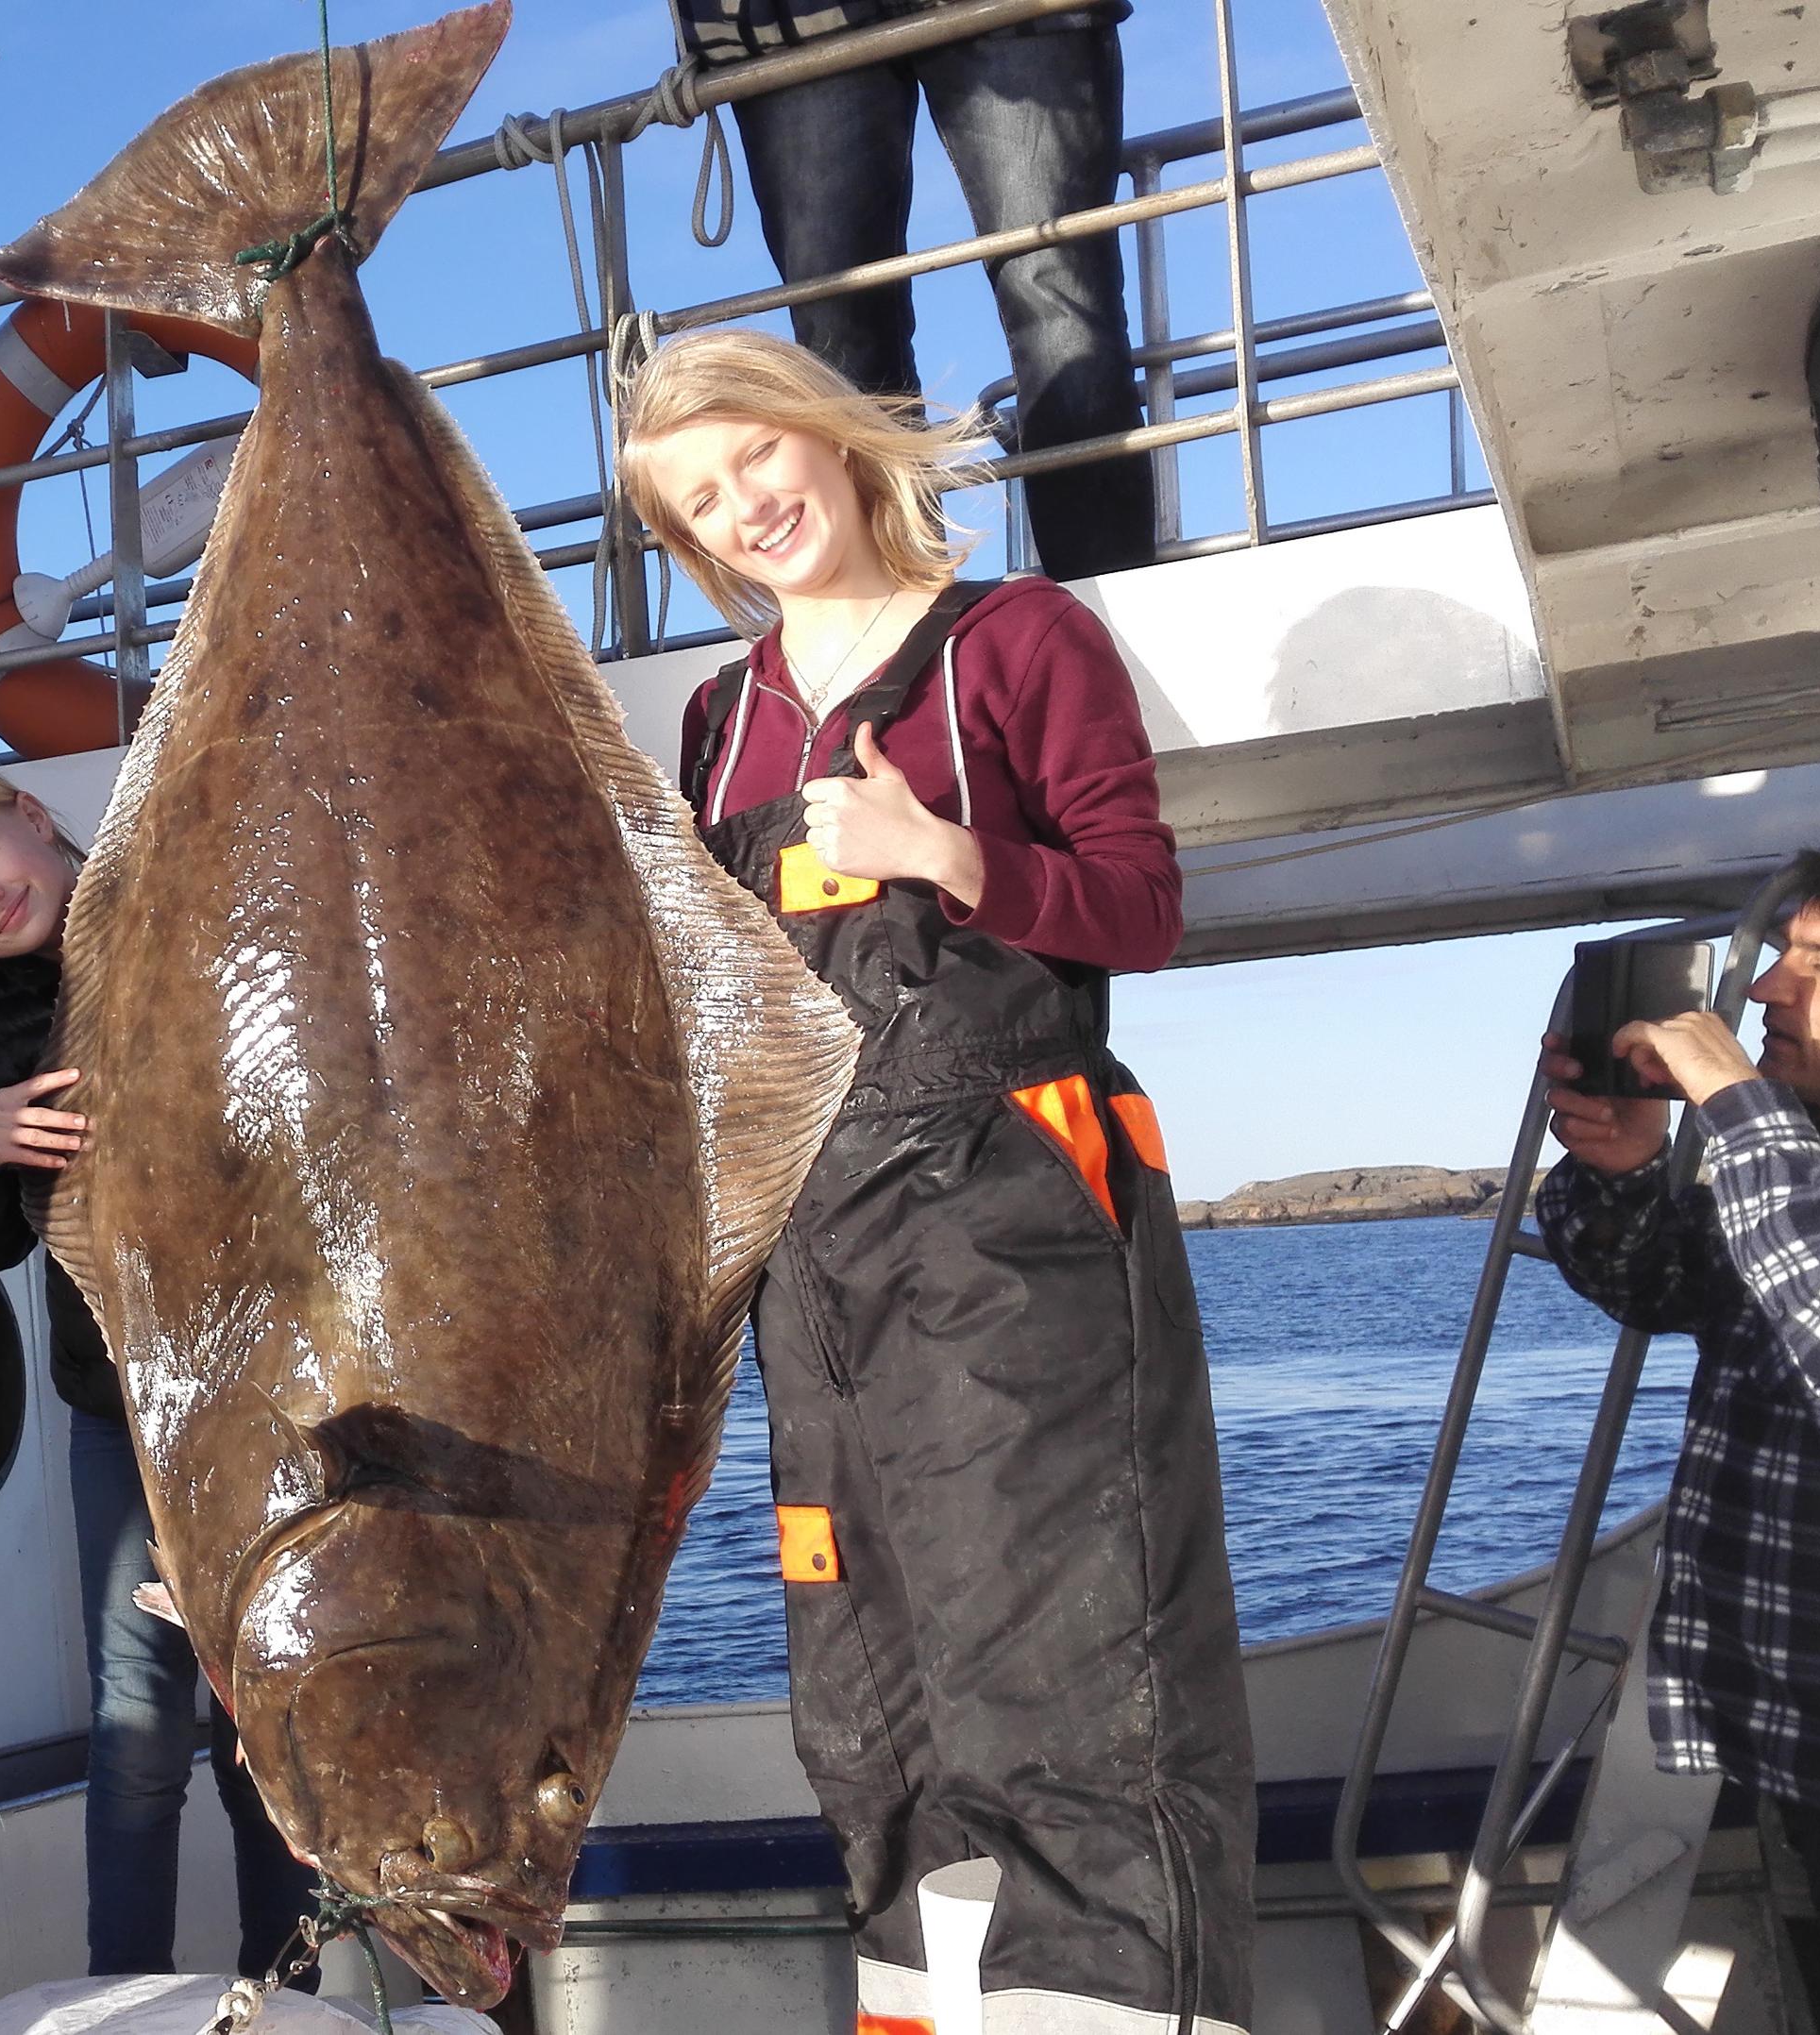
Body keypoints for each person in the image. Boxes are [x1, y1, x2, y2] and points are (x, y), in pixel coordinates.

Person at [618, 328, 1252, 2034]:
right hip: (812, 1268)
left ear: (826, 442)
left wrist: (944, 853)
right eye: (698, 501)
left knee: (1069, 1671)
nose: (744, 506)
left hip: (1013, 1224)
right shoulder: (715, 718)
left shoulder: (1022, 639)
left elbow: (1142, 907)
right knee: (869, 1698)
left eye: (755, 460)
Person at [0, 762, 318, 1988]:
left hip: (274, 1406)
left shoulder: (192, 911)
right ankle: (129, 1996)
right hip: (119, 1420)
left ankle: (294, 1988)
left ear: (32, 819)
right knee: (139, 1728)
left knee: (266, 1724)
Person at [1538, 848, 1820, 2035]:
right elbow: (1669, 1287)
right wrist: (1631, 1168)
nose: (1767, 992)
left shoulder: (1784, 1138)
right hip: (1810, 1722)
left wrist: (1736, 1103)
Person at [671, 0, 1157, 580]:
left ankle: (1104, 604)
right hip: (784, 22)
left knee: (1059, 300)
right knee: (839, 347)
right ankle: (895, 617)